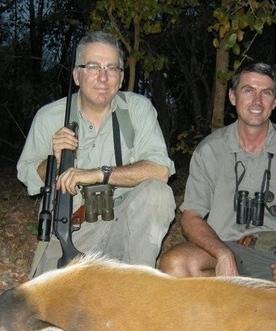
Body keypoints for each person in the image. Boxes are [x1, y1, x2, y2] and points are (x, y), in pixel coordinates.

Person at [159, 62, 276, 292]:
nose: (257, 102)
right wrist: (222, 252)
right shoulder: (210, 150)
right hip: (230, 250)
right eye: (248, 90)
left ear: (275, 101)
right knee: (175, 264)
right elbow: (191, 216)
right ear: (232, 96)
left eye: (266, 93)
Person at [17, 31, 176, 276]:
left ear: (121, 77)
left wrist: (97, 174)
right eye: (92, 66)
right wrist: (53, 162)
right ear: (77, 75)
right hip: (74, 229)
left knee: (157, 193)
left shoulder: (137, 109)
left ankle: (137, 286)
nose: (103, 77)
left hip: (123, 227)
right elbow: (26, 173)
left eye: (112, 68)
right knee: (48, 307)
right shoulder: (49, 116)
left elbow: (160, 169)